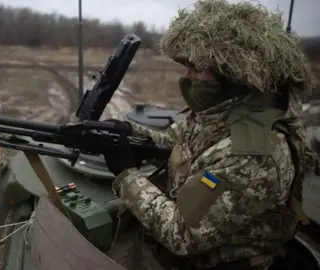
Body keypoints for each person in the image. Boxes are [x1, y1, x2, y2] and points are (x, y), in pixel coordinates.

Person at [102, 0, 318, 269]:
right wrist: (128, 133)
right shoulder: (225, 109)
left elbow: (181, 235)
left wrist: (127, 175)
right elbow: (178, 139)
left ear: (232, 76)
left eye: (197, 68)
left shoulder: (252, 155)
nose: (187, 76)